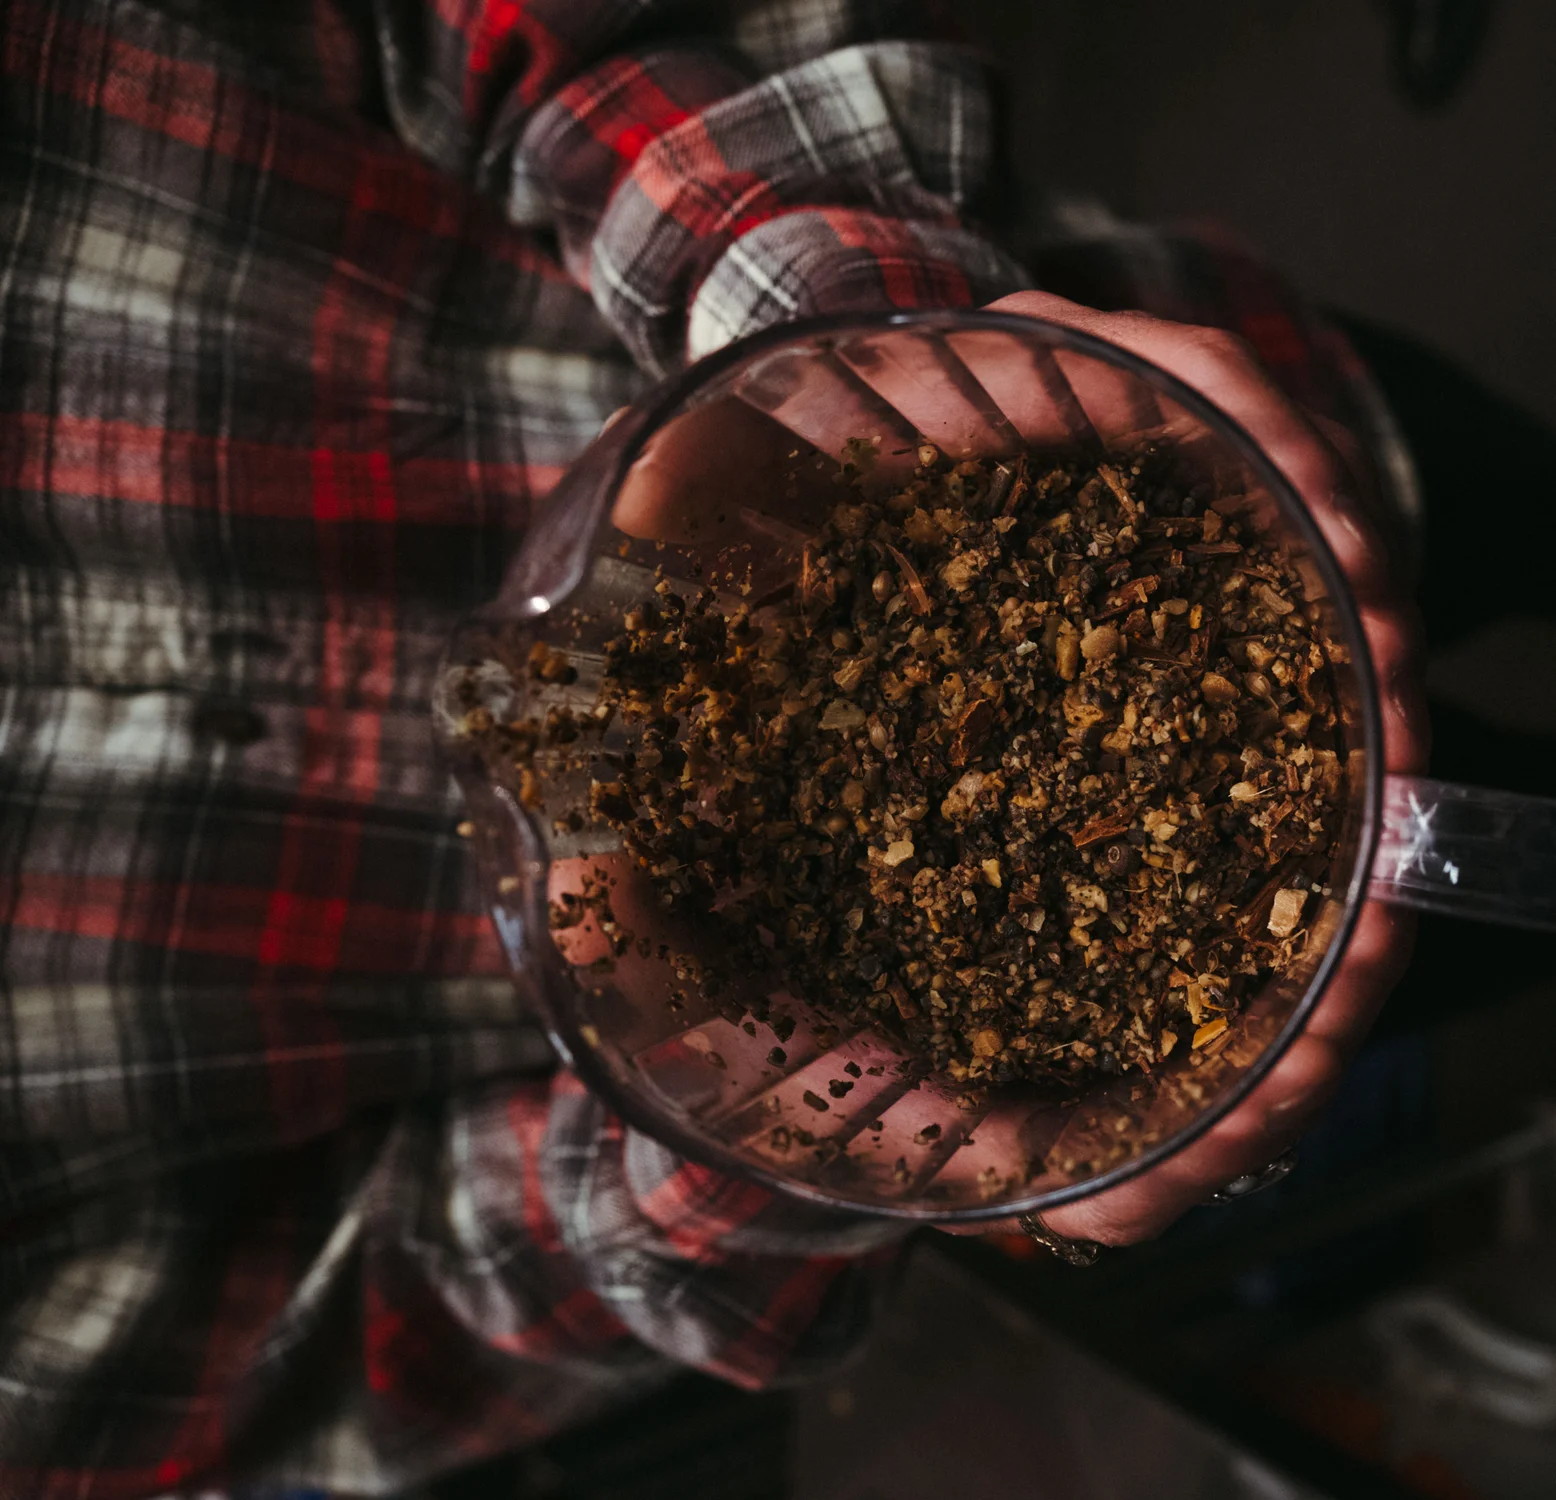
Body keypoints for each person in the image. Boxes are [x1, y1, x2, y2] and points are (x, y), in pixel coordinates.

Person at [0, 0, 1426, 1493]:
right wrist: (797, 1141)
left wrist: (832, 327)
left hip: (1149, 402)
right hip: (1169, 1036)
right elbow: (402, 1317)